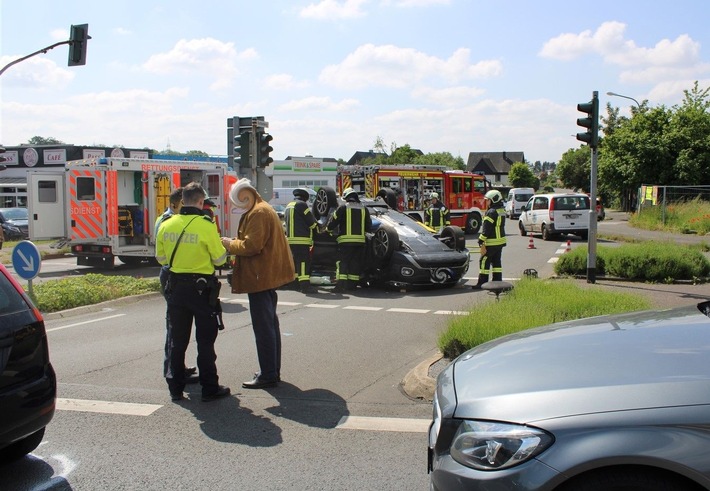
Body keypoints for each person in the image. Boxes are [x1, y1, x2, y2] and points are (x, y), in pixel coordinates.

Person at [155, 182, 230, 402]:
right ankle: (209, 388)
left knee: (177, 341)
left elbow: (161, 259)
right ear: (200, 202)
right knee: (205, 340)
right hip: (201, 290)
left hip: (176, 288)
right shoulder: (206, 225)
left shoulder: (166, 224)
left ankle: (175, 389)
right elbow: (219, 259)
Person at [221, 179, 295, 390]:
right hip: (265, 277)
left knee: (264, 328)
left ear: (247, 195)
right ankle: (271, 370)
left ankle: (268, 374)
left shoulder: (258, 213)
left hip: (259, 277)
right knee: (269, 326)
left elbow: (251, 246)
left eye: (240, 201)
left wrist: (229, 244)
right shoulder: (264, 209)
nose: (239, 205)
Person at [154, 187, 198, 383]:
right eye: (184, 205)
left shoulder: (167, 220)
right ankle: (172, 369)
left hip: (171, 273)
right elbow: (162, 255)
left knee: (177, 326)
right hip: (173, 274)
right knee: (175, 327)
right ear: (175, 205)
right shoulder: (168, 221)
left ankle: (177, 367)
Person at [326, 187, 372, 293]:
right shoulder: (364, 209)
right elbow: (368, 226)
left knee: (342, 263)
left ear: (346, 198)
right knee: (355, 264)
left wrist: (328, 230)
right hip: (360, 242)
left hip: (345, 242)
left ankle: (340, 286)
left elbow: (333, 221)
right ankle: (352, 286)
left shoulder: (343, 208)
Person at [284, 188, 318, 294]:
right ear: (305, 198)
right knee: (303, 262)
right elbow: (311, 222)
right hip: (301, 240)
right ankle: (305, 286)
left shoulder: (289, 205)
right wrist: (318, 226)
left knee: (295, 262)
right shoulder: (302, 205)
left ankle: (295, 283)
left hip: (291, 240)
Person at [471, 189, 507, 290]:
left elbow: (487, 229)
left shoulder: (491, 212)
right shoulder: (501, 210)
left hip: (491, 242)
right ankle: (497, 282)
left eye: (488, 200)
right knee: (496, 263)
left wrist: (481, 240)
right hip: (500, 242)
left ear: (493, 200)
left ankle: (482, 283)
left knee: (484, 261)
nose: (487, 202)